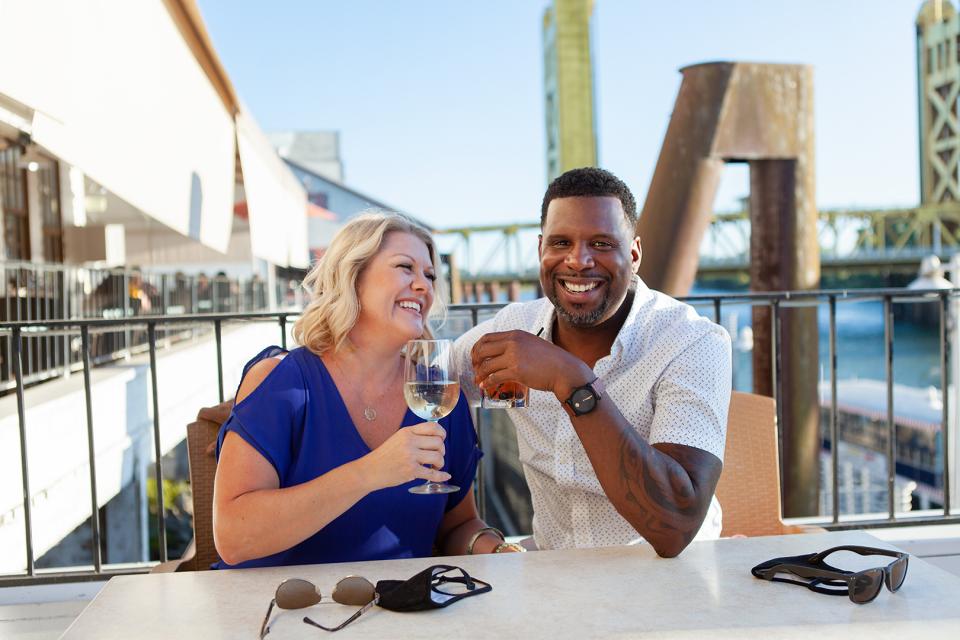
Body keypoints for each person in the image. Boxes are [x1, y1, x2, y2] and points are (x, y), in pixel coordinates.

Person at [213, 212, 519, 569]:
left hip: (399, 612)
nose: (424, 286)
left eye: (430, 275)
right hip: (280, 612)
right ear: (353, 277)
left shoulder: (440, 395)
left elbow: (459, 524)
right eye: (405, 267)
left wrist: (499, 552)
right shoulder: (284, 382)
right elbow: (233, 538)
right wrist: (371, 472)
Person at [453, 167, 732, 557]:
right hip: (553, 574)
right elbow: (431, 381)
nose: (578, 260)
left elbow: (674, 527)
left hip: (669, 580)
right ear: (540, 251)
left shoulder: (691, 341)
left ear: (633, 254)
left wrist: (572, 381)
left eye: (601, 244)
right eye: (561, 242)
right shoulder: (515, 327)